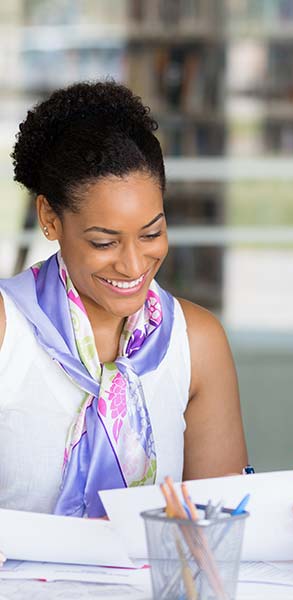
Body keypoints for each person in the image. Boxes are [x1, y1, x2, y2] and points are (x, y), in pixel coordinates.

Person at [0, 81, 247, 518]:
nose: (134, 265)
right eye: (103, 242)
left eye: (152, 233)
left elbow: (217, 524)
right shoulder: (8, 330)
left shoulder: (198, 342)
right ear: (49, 219)